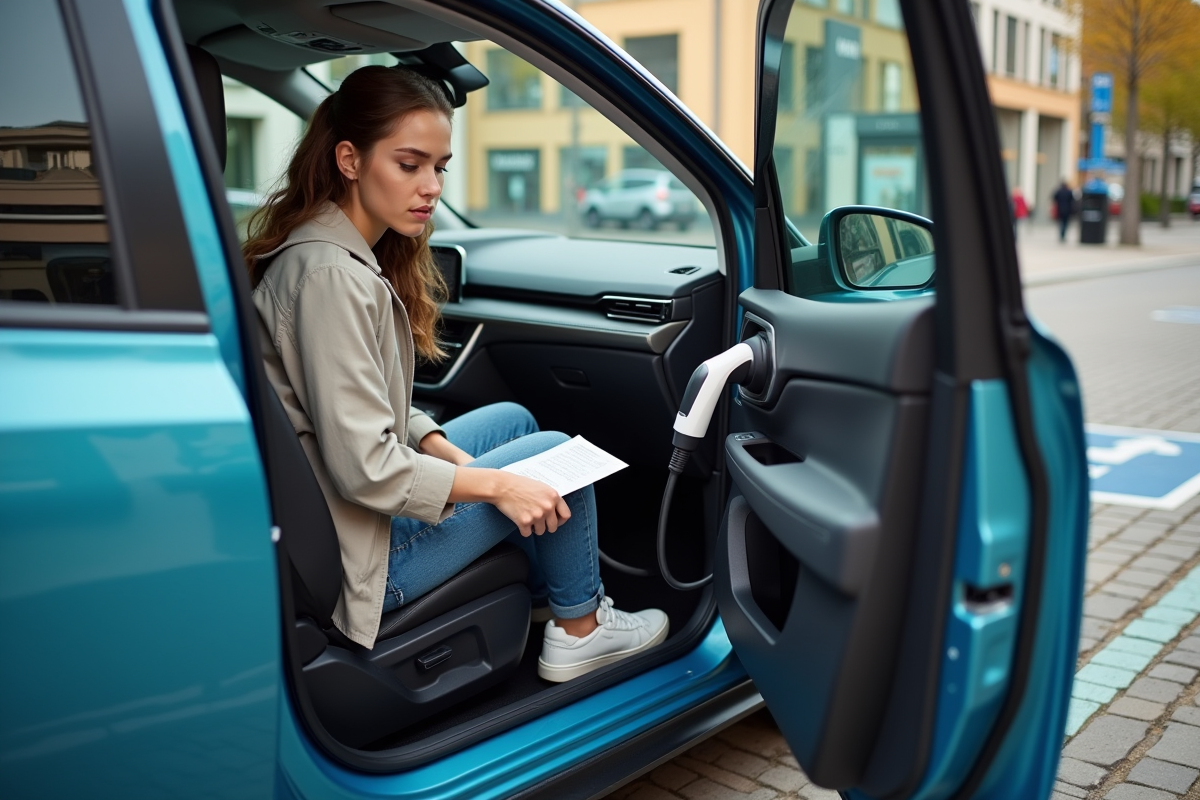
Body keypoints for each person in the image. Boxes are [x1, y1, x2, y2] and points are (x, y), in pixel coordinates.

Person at [242, 66, 667, 683]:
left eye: (439, 167)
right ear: (350, 160)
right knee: (553, 458)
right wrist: (498, 487)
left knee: (512, 423)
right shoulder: (330, 278)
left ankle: (552, 593)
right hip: (364, 560)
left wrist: (446, 451)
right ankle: (580, 631)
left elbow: (369, 407)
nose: (431, 186)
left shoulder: (335, 253)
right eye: (409, 164)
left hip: (350, 514)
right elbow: (365, 467)